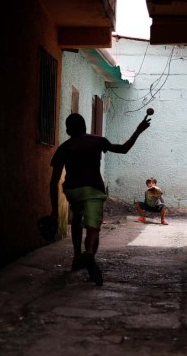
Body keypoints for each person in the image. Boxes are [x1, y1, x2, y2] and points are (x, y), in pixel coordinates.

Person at [49, 113, 151, 286]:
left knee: (76, 218)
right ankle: (89, 255)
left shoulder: (64, 147)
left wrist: (54, 211)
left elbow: (53, 182)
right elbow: (123, 149)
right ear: (85, 127)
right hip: (94, 189)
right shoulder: (97, 141)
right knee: (93, 228)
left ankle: (76, 257)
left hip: (73, 191)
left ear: (67, 130)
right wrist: (138, 131)